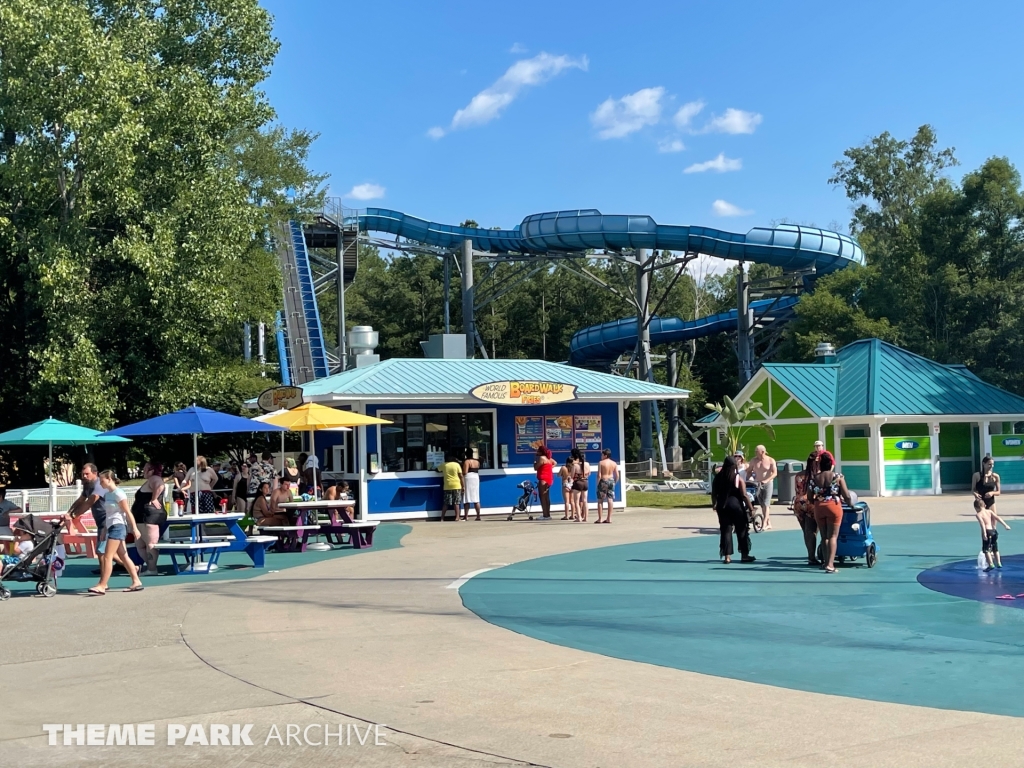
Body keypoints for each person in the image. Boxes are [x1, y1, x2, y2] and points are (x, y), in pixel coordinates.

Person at [88, 470, 144, 594]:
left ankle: (102, 585)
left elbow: (127, 512)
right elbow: (109, 515)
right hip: (112, 527)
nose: (100, 484)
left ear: (109, 479)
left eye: (102, 481)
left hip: (119, 527)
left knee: (107, 557)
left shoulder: (119, 494)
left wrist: (134, 528)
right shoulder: (108, 495)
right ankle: (136, 581)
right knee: (123, 556)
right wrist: (105, 530)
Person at [807, 452, 852, 573]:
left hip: (819, 507)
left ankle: (824, 562)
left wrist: (817, 500)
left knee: (824, 536)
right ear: (831, 464)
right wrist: (850, 504)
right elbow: (846, 495)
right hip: (834, 506)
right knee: (833, 536)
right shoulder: (838, 476)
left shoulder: (814, 479)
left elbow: (810, 497)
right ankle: (830, 565)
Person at [711, 455, 755, 564]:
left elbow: (713, 494)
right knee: (741, 529)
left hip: (722, 506)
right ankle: (744, 555)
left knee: (726, 530)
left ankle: (727, 556)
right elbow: (744, 495)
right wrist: (751, 508)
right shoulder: (737, 478)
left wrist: (714, 504)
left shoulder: (718, 478)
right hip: (736, 506)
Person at [973, 456, 1010, 571]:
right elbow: (973, 489)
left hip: (991, 502)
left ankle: (993, 548)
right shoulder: (977, 475)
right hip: (981, 504)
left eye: (992, 464)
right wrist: (975, 495)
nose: (991, 466)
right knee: (983, 524)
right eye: (989, 464)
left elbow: (999, 491)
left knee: (993, 526)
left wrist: (993, 493)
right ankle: (986, 546)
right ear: (983, 464)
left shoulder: (995, 476)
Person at [131, 462, 166, 576]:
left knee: (150, 543)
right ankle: (151, 565)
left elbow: (160, 485)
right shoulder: (150, 480)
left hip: (149, 516)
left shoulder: (155, 478)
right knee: (140, 544)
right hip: (141, 517)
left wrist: (154, 498)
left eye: (145, 468)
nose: (143, 470)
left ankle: (152, 569)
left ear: (151, 470)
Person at [748, 445, 778, 530]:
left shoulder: (770, 460)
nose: (755, 453)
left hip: (768, 484)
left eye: (757, 451)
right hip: (758, 484)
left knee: (766, 503)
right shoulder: (754, 460)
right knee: (762, 505)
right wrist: (750, 477)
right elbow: (749, 471)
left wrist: (767, 480)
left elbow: (775, 473)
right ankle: (769, 523)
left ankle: (764, 523)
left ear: (763, 452)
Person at [791, 473, 819, 566]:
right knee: (812, 531)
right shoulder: (817, 476)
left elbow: (797, 489)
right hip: (811, 502)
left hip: (799, 502)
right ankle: (813, 557)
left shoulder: (798, 475)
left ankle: (810, 556)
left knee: (806, 531)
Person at [595, 448, 619, 524]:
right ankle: (609, 518)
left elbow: (599, 475)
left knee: (600, 500)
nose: (601, 456)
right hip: (611, 480)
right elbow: (617, 475)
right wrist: (614, 482)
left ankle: (600, 518)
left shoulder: (601, 463)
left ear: (605, 455)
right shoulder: (614, 463)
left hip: (603, 480)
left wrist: (597, 484)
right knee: (610, 499)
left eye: (602, 455)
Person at [438, 453, 463, 521]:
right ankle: (457, 517)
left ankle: (442, 518)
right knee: (456, 502)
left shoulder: (444, 465)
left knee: (446, 503)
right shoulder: (457, 464)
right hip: (457, 485)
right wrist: (463, 486)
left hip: (447, 486)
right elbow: (461, 476)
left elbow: (437, 469)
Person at [570, 448, 591, 523]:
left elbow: (572, 476)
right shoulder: (587, 464)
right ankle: (586, 517)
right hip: (585, 482)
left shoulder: (575, 465)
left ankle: (579, 517)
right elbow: (589, 473)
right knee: (585, 501)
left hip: (578, 482)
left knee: (576, 501)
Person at [534, 446, 555, 519]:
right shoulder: (549, 459)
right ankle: (548, 514)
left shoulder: (542, 458)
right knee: (547, 497)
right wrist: (549, 468)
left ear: (541, 452)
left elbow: (536, 467)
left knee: (542, 497)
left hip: (543, 479)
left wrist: (535, 461)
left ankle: (545, 514)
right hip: (549, 479)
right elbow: (555, 462)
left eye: (538, 451)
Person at [462, 447, 482, 521]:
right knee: (476, 497)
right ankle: (478, 515)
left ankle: (466, 516)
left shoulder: (467, 461)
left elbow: (465, 472)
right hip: (476, 477)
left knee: (467, 497)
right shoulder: (477, 462)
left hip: (469, 478)